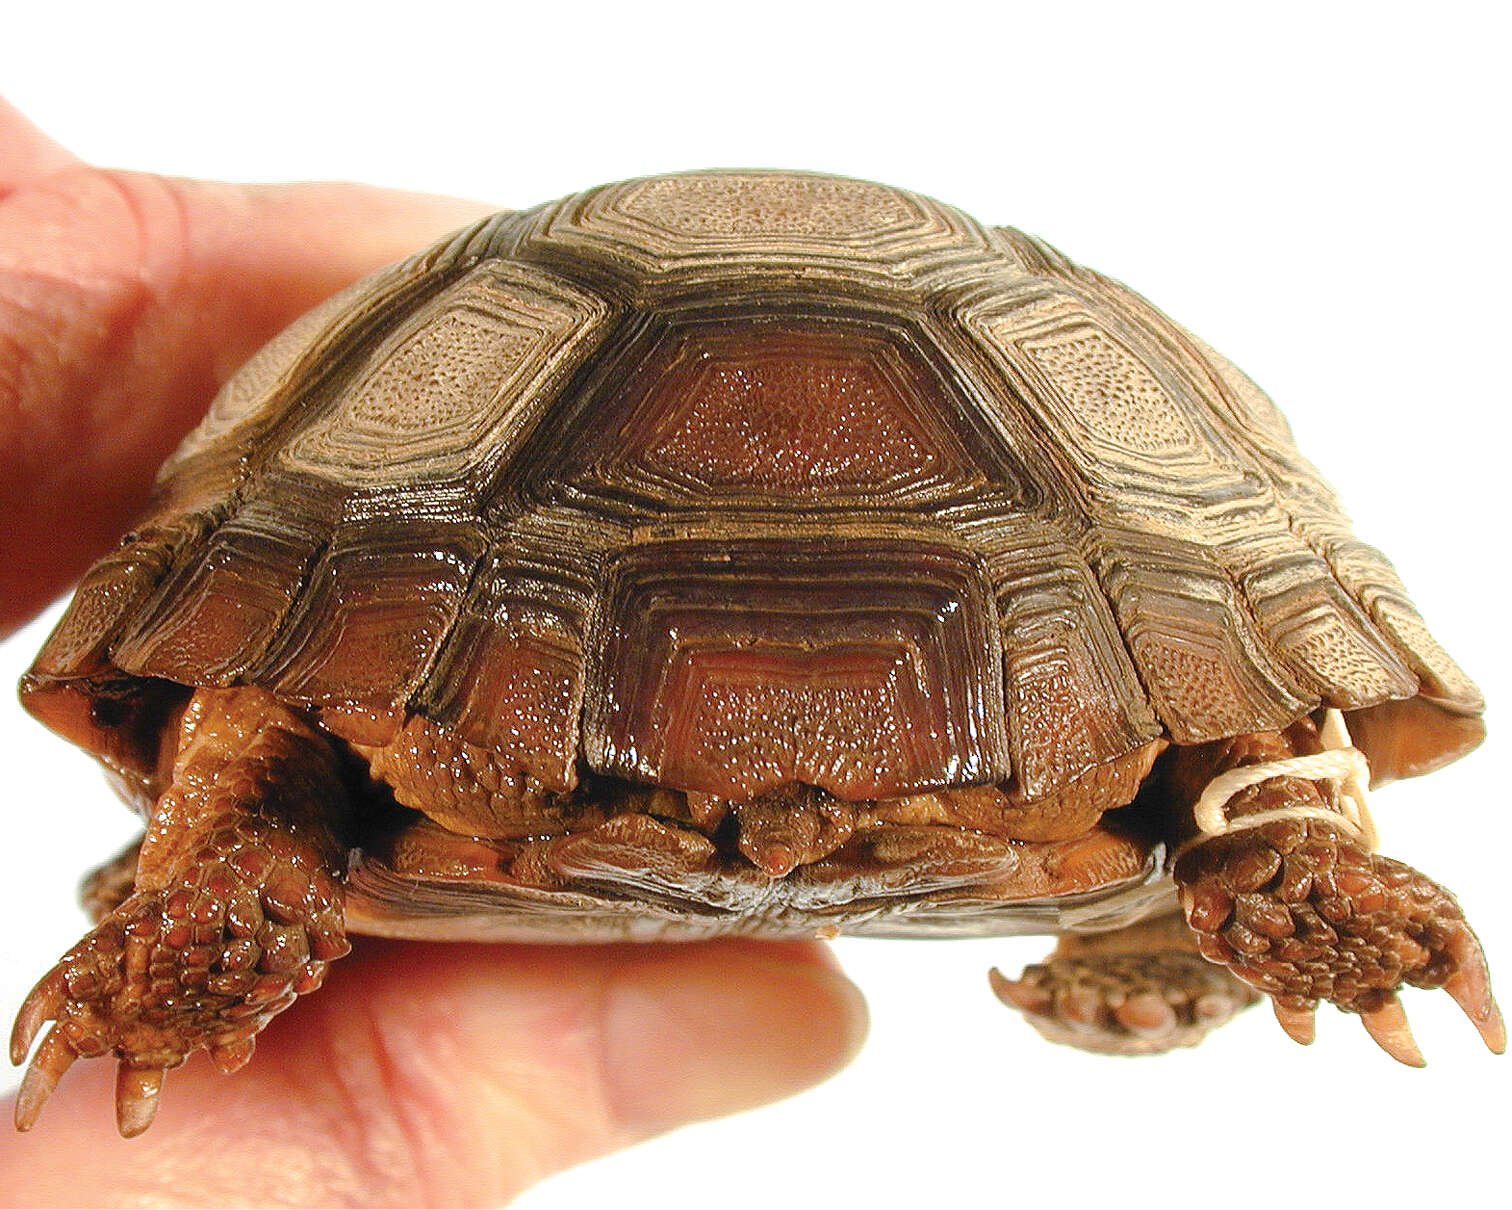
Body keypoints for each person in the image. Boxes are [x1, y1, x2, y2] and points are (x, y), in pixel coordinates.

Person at [0, 97, 867, 1207]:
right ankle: (233, 860)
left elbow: (256, 689)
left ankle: (232, 864)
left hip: (428, 653)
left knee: (276, 740)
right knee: (268, 742)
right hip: (393, 677)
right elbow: (253, 702)